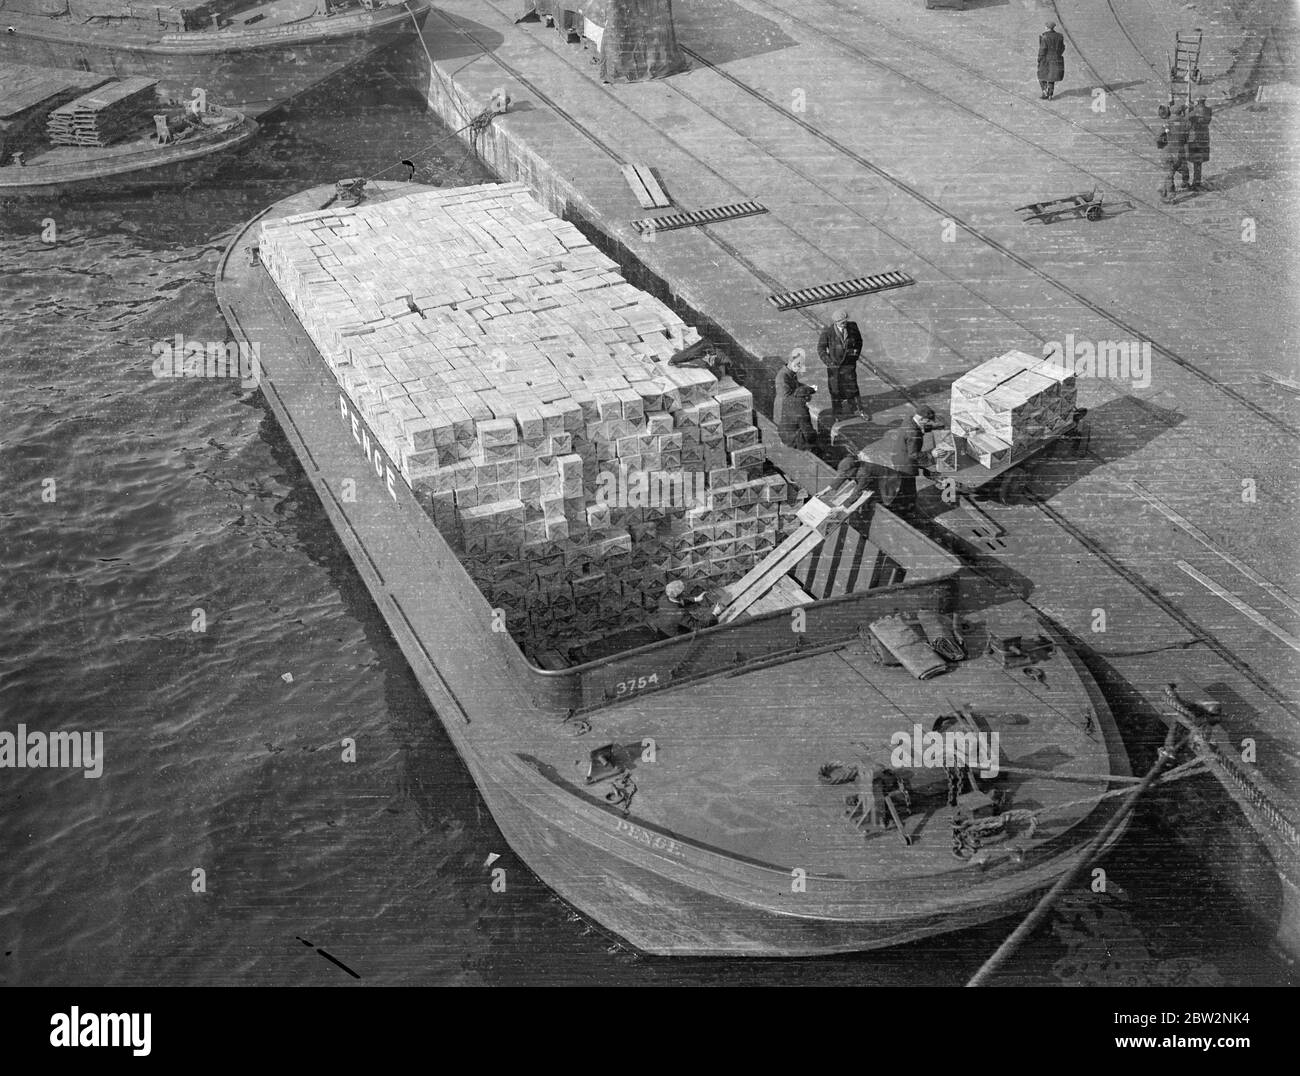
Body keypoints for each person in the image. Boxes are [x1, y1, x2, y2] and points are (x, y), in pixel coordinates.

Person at [879, 406, 941, 514]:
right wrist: (931, 454)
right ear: (921, 419)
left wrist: (932, 428)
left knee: (902, 484)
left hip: (898, 456)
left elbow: (918, 428)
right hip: (906, 464)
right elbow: (913, 454)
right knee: (909, 487)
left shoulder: (909, 419)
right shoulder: (913, 433)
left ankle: (899, 503)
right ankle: (908, 509)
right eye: (928, 421)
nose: (929, 423)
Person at [816, 309, 864, 419]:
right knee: (835, 391)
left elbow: (859, 342)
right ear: (836, 322)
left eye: (846, 321)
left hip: (849, 365)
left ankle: (857, 410)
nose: (845, 324)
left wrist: (855, 356)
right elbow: (821, 349)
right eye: (843, 322)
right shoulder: (827, 332)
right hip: (835, 368)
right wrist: (829, 363)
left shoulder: (853, 327)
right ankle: (838, 414)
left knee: (853, 388)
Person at [774, 350, 817, 451]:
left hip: (789, 409)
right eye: (797, 364)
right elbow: (787, 396)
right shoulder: (782, 377)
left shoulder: (791, 373)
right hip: (782, 412)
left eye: (800, 364)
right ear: (790, 361)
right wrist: (805, 391)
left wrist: (809, 388)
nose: (799, 367)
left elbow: (797, 385)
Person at [652, 580, 720, 636]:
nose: (685, 592)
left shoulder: (664, 598)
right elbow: (698, 627)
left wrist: (696, 599)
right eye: (683, 591)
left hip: (662, 628)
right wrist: (714, 614)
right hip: (673, 636)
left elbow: (681, 601)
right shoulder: (680, 614)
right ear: (680, 595)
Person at [1158, 104, 1191, 201]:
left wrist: (1162, 144)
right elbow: (1187, 137)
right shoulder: (1186, 123)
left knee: (1169, 173)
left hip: (1168, 151)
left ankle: (1170, 195)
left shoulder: (1167, 124)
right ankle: (1184, 182)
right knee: (1182, 167)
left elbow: (1158, 138)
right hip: (1180, 151)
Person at [1187, 96, 1213, 189]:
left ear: (1197, 101)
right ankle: (1197, 180)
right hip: (1204, 137)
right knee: (1199, 161)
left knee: (1193, 160)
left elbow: (1187, 120)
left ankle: (1192, 182)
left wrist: (1190, 109)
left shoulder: (1193, 112)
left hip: (1194, 138)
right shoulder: (1209, 110)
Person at [1038, 22, 1065, 99]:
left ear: (1047, 27)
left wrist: (1039, 58)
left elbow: (1042, 49)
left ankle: (1045, 92)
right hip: (1056, 59)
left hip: (1046, 59)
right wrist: (1057, 54)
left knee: (1041, 75)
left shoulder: (1045, 37)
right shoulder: (1060, 36)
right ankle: (1050, 94)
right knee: (1052, 77)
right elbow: (1062, 48)